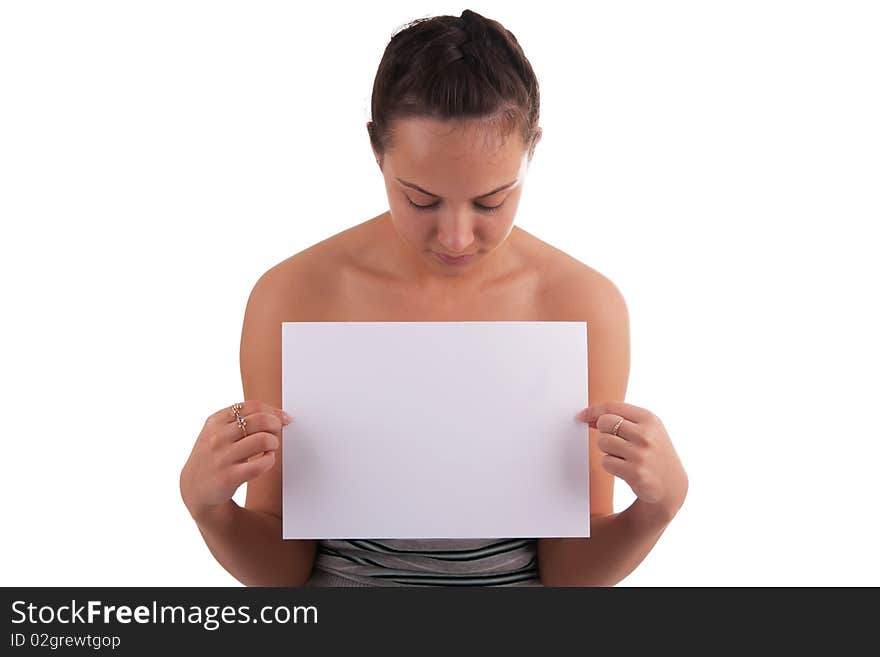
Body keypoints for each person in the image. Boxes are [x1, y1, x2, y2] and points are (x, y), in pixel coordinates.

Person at [179, 9, 688, 587]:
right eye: (420, 199)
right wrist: (210, 508)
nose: (455, 237)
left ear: (531, 153)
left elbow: (568, 575)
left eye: (491, 201)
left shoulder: (579, 304)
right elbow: (283, 570)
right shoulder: (295, 295)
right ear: (377, 152)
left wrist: (657, 508)